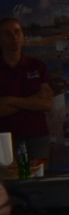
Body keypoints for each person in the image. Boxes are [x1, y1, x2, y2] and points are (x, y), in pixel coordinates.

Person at [0, 17, 55, 160]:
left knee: (38, 175)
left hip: (36, 136)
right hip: (4, 138)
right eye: (7, 33)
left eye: (17, 32)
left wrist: (10, 100)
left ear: (23, 36)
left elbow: (46, 104)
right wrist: (33, 100)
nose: (14, 37)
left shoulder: (37, 66)